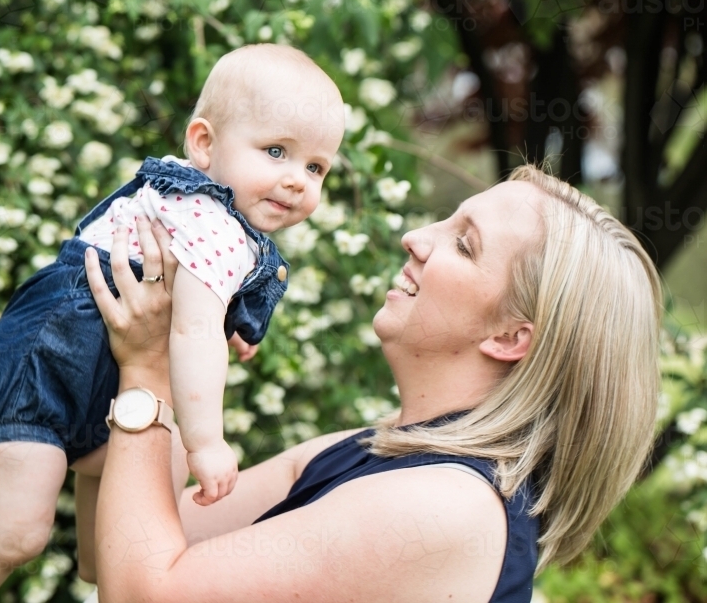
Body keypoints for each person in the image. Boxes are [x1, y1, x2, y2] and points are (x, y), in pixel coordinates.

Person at [83, 164, 661, 602]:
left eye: (464, 244)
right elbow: (107, 552)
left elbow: (143, 594)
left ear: (511, 337)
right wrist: (159, 349)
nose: (416, 236)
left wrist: (147, 370)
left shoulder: (446, 507)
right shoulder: (370, 451)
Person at [0, 44, 345, 603]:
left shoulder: (192, 200)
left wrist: (230, 325)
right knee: (14, 536)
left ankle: (104, 560)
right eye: (276, 150)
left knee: (165, 450)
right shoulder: (212, 224)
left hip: (97, 392)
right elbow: (191, 332)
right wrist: (211, 442)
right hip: (34, 383)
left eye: (315, 167)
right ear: (203, 143)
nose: (298, 180)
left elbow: (194, 307)